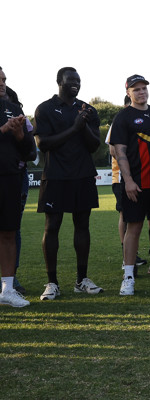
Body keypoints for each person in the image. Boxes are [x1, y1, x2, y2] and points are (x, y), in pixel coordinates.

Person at [34, 67, 103, 301]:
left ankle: (81, 280)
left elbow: (95, 146)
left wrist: (82, 126)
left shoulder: (87, 110)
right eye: (71, 80)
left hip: (83, 174)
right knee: (52, 226)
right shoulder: (45, 109)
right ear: (59, 82)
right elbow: (43, 143)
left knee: (82, 225)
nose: (76, 83)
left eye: (79, 80)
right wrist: (73, 128)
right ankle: (52, 283)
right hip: (55, 175)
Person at [110, 75, 150, 296]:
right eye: (136, 89)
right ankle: (128, 277)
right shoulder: (123, 117)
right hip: (136, 184)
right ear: (128, 92)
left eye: (144, 88)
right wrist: (128, 181)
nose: (141, 92)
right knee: (133, 228)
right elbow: (120, 152)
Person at [0, 67, 35, 307]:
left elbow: (30, 151)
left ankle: (8, 291)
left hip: (10, 178)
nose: (2, 83)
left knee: (9, 233)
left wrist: (21, 133)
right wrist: (4, 129)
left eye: (3, 79)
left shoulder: (14, 108)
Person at [106, 95, 148, 279]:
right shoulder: (120, 120)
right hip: (121, 178)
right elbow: (113, 150)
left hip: (145, 177)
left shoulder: (147, 118)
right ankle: (128, 256)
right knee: (127, 216)